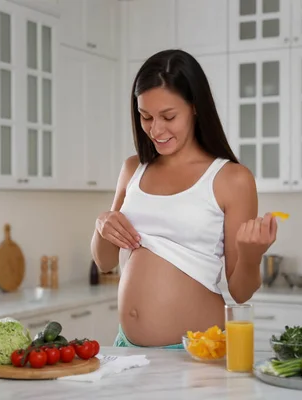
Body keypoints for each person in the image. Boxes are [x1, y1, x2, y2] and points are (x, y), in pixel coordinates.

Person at [90, 49, 278, 348]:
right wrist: (103, 224)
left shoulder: (231, 179)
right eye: (146, 116)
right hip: (127, 348)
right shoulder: (132, 169)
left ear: (195, 108)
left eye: (168, 116)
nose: (155, 129)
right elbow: (105, 261)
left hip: (196, 354)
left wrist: (251, 255)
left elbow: (241, 292)